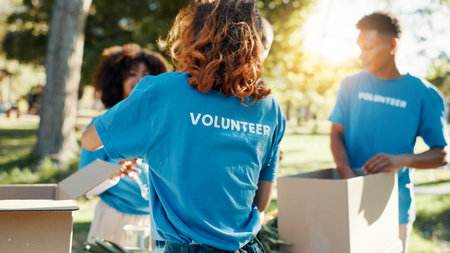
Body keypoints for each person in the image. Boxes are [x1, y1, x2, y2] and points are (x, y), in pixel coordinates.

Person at [81, 0, 286, 252]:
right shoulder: (270, 109)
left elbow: (89, 140)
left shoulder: (162, 92)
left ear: (195, 35)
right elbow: (261, 202)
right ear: (254, 41)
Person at [329, 11, 448, 253]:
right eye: (359, 48)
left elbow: (441, 154)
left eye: (369, 47)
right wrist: (347, 178)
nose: (361, 55)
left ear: (392, 45)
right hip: (350, 204)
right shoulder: (350, 84)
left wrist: (401, 160)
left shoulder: (424, 93)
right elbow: (336, 135)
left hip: (396, 211)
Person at [79, 43, 169, 246]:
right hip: (113, 219)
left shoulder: (165, 125)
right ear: (117, 80)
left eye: (146, 74)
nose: (139, 80)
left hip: (157, 222)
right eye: (132, 73)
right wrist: (114, 172)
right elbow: (79, 185)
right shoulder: (102, 126)